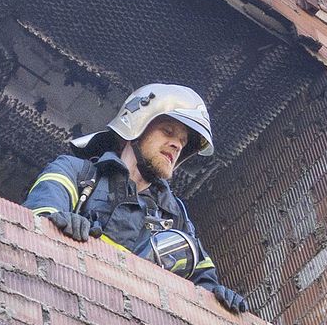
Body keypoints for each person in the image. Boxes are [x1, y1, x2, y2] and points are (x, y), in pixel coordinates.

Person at [25, 84, 249, 313]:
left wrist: (217, 299)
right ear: (136, 125)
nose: (177, 145)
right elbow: (34, 224)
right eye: (168, 131)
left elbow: (202, 281)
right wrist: (60, 226)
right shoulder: (75, 172)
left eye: (182, 141)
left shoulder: (174, 216)